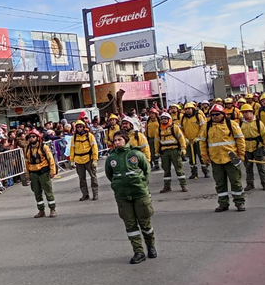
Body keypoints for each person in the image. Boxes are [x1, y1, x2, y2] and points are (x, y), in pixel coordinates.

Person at [105, 131, 156, 264]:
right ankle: (138, 251)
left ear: (126, 140)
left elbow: (146, 170)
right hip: (122, 196)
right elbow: (109, 175)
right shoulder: (111, 158)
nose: (117, 142)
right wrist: (118, 185)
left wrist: (141, 184)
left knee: (145, 223)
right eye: (115, 140)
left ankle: (151, 246)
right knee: (130, 224)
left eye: (119, 140)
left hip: (139, 193)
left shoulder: (136, 154)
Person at [202, 104, 246, 212]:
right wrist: (205, 156)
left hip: (232, 158)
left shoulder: (232, 124)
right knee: (220, 183)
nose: (215, 116)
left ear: (223, 114)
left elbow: (240, 140)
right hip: (215, 159)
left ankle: (239, 202)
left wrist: (241, 154)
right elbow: (202, 143)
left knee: (235, 181)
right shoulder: (206, 126)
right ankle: (223, 203)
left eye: (217, 114)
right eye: (213, 115)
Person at [24, 129, 57, 218]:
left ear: (38, 138)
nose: (31, 138)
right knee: (37, 193)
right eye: (30, 137)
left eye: (33, 136)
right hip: (33, 173)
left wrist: (52, 171)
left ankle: (52, 209)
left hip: (43, 172)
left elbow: (51, 159)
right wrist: (28, 174)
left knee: (48, 191)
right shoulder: (27, 148)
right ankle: (41, 210)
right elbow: (27, 162)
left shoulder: (44, 147)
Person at [155, 112, 188, 193]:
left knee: (179, 169)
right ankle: (167, 186)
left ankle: (183, 185)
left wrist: (183, 148)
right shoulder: (158, 129)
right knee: (166, 170)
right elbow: (157, 141)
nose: (164, 120)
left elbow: (181, 138)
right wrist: (156, 151)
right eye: (162, 119)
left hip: (174, 151)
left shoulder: (175, 127)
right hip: (164, 152)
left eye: (165, 118)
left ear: (169, 119)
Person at [240, 103, 265, 191]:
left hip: (258, 147)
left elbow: (264, 134)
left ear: (251, 112)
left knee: (261, 167)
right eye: (243, 112)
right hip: (246, 148)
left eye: (247, 112)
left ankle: (264, 183)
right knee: (248, 168)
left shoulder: (258, 123)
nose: (245, 114)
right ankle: (250, 184)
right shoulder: (240, 124)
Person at [70, 120, 98, 201]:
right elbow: (72, 149)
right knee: (82, 179)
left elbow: (94, 148)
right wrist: (72, 161)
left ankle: (95, 194)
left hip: (88, 159)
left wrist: (95, 160)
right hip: (78, 161)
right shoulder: (74, 137)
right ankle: (85, 195)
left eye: (80, 127)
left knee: (93, 177)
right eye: (77, 127)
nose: (79, 128)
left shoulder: (89, 136)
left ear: (84, 127)